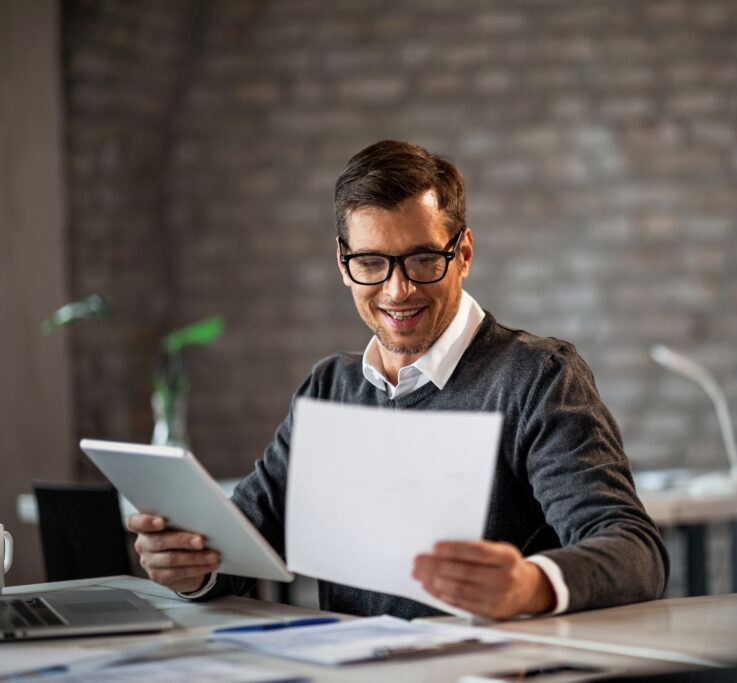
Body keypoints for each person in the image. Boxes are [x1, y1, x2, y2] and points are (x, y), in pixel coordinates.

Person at [128, 140, 668, 620]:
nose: (397, 289)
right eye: (371, 262)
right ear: (344, 264)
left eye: (422, 259)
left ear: (464, 254)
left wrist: (530, 585)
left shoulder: (538, 378)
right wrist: (191, 566)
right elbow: (244, 541)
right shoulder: (329, 388)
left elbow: (634, 550)